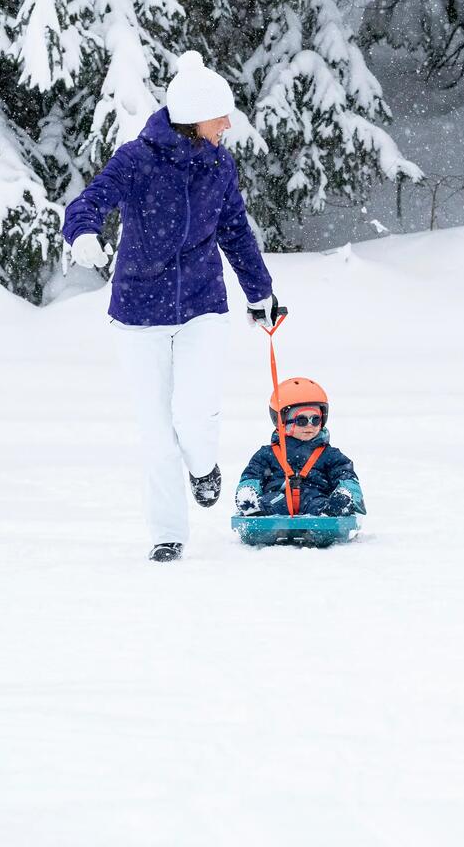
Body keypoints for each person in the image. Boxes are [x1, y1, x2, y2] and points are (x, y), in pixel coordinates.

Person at [63, 50, 285, 563]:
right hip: (139, 313)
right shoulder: (136, 160)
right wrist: (82, 235)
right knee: (156, 430)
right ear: (192, 119)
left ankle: (203, 465)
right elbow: (89, 202)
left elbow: (235, 233)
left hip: (204, 304)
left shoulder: (219, 165)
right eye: (220, 115)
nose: (229, 123)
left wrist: (261, 292)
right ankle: (167, 532)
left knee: (193, 414)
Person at [235, 378, 365, 517]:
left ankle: (330, 515)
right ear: (282, 422)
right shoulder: (267, 454)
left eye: (315, 419)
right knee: (267, 504)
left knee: (325, 506)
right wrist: (248, 490)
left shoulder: (330, 455)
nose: (310, 425)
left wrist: (347, 494)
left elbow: (346, 477)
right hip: (277, 500)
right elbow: (252, 475)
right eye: (301, 420)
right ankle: (255, 512)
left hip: (315, 500)